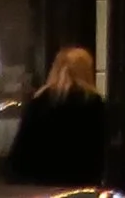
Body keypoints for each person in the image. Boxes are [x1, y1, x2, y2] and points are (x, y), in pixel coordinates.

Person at [6, 46, 108, 186]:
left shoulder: (40, 101)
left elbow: (22, 147)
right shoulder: (93, 103)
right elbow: (100, 149)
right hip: (79, 181)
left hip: (39, 182)